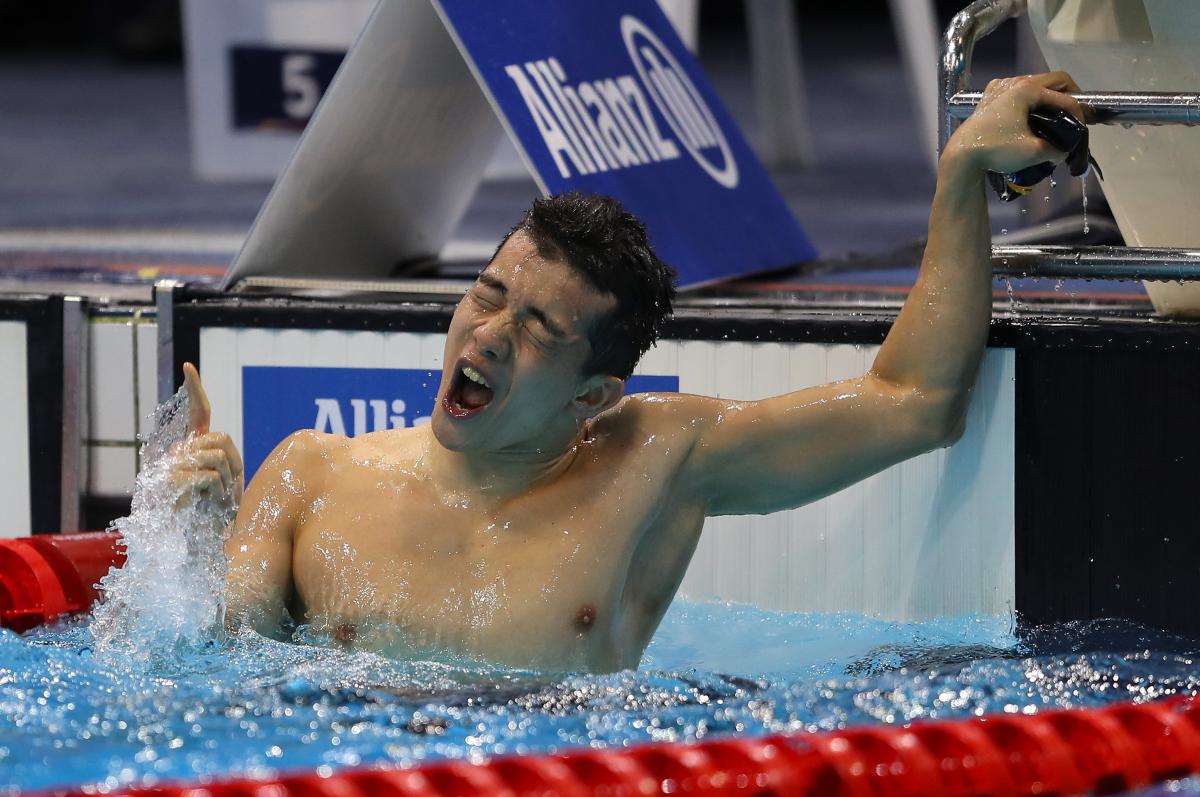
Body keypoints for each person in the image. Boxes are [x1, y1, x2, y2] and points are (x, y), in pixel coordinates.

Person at [172, 73, 1086, 673]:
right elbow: (225, 674)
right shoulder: (310, 472)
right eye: (487, 294)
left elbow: (914, 403)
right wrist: (192, 540)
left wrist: (960, 174)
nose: (486, 334)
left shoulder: (657, 461)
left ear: (594, 396)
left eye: (535, 328)